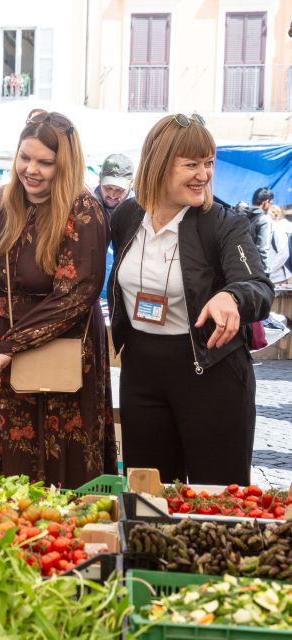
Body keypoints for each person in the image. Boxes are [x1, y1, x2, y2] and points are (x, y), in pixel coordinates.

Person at [108, 113, 274, 485]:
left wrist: (232, 296)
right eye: (191, 164)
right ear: (158, 165)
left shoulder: (223, 222)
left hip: (211, 375)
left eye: (208, 163)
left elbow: (259, 286)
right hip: (141, 374)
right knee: (147, 497)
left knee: (216, 500)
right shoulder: (127, 216)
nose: (204, 174)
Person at [0, 111, 116, 488]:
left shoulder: (84, 211)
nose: (32, 169)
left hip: (61, 349)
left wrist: (10, 346)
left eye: (45, 162)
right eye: (25, 157)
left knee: (60, 468)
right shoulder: (0, 203)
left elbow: (76, 294)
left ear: (66, 164)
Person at [94, 153, 135, 313]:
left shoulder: (141, 211)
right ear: (99, 179)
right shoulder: (85, 205)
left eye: (119, 190)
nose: (112, 194)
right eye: (107, 188)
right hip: (93, 297)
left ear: (131, 184)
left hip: (126, 296)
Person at [238, 188, 273, 276]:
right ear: (266, 202)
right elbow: (263, 249)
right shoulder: (263, 219)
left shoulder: (240, 215)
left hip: (239, 267)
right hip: (256, 270)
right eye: (271, 203)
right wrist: (266, 271)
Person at [268, 204, 292, 285]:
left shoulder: (277, 229)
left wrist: (270, 270)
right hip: (276, 277)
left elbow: (284, 254)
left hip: (281, 278)